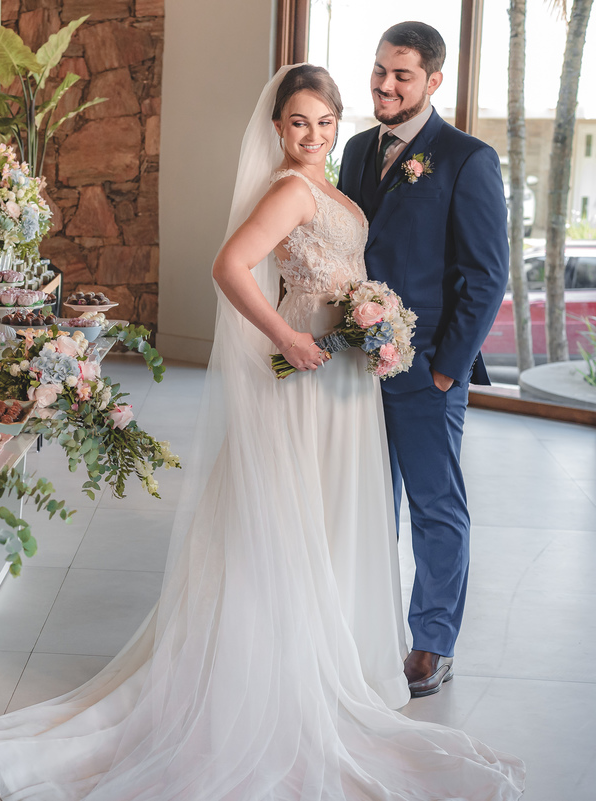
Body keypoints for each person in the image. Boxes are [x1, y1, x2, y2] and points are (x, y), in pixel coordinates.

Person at [0, 64, 525, 800]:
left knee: (324, 516)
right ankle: (274, 670)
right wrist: (286, 338)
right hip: (310, 367)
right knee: (290, 518)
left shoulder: (333, 176)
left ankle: (331, 656)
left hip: (345, 374)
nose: (313, 135)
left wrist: (372, 317)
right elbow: (230, 266)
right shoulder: (291, 188)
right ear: (277, 126)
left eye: (325, 122)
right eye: (299, 122)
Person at [338, 21, 509, 698]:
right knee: (365, 500)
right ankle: (365, 627)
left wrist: (446, 369)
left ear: (434, 81)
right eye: (380, 69)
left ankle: (432, 642)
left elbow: (485, 276)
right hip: (355, 366)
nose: (385, 84)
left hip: (427, 366)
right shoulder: (356, 150)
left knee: (435, 506)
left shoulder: (468, 158)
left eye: (402, 75)